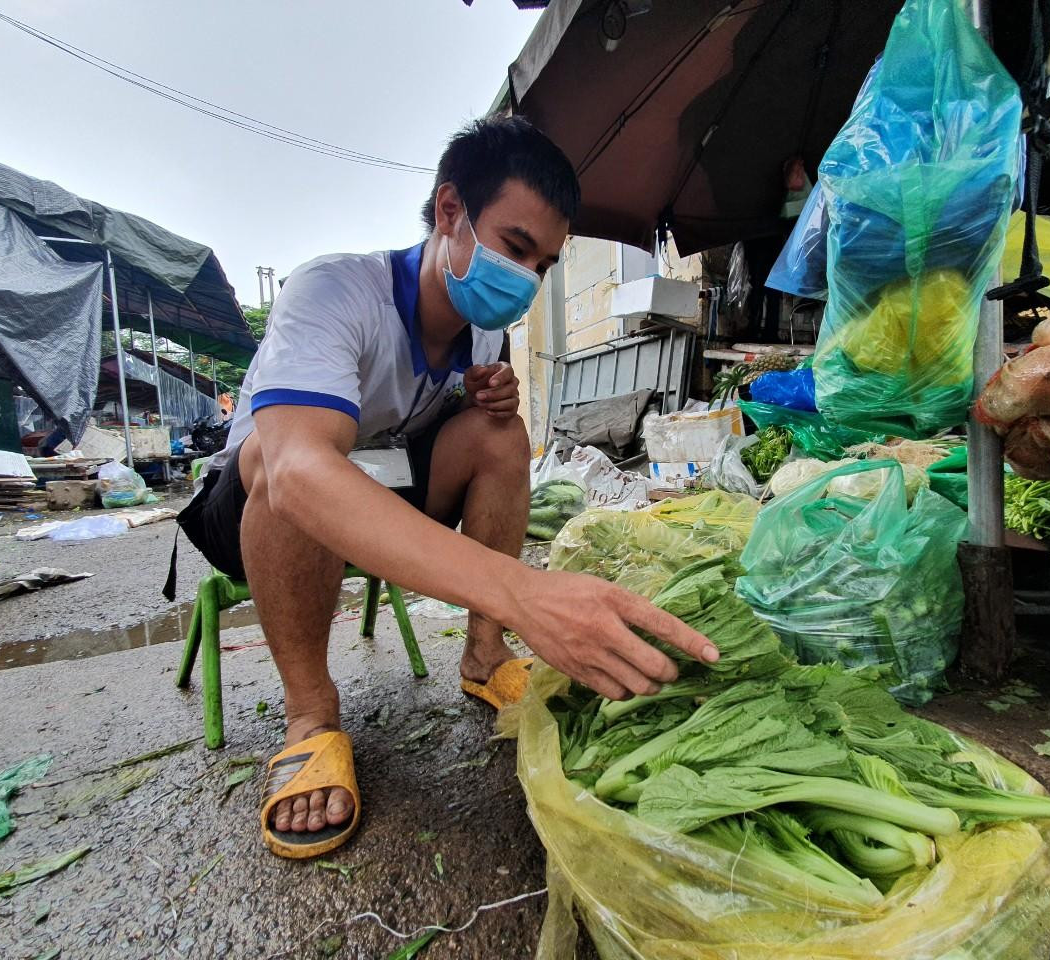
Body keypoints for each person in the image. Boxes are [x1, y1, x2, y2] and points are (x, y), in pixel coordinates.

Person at [175, 116, 717, 859]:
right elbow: (301, 472)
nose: (526, 281)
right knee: (290, 459)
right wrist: (522, 589)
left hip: (381, 481)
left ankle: (483, 656)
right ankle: (309, 713)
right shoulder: (334, 291)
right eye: (517, 247)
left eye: (546, 265)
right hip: (254, 506)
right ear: (450, 211)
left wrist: (483, 401)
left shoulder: (480, 330)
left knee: (501, 432)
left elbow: (441, 440)